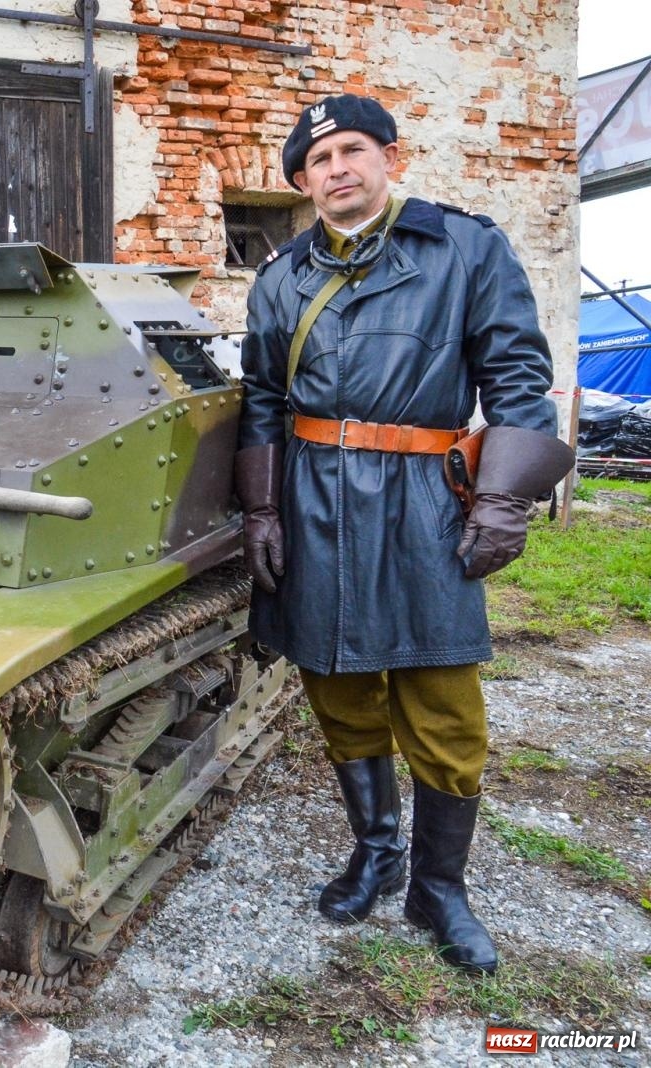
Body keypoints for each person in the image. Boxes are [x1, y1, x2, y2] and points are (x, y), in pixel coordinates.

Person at [235, 93, 573, 974]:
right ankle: (377, 852)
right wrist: (263, 509)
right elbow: (263, 402)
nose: (336, 169)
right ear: (302, 183)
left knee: (440, 691)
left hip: (424, 493)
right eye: (317, 163)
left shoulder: (465, 248)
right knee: (337, 683)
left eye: (351, 150)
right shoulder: (280, 279)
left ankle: (440, 886)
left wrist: (502, 502)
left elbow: (517, 375)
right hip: (312, 493)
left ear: (390, 156)